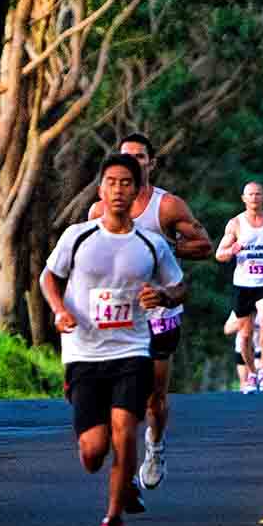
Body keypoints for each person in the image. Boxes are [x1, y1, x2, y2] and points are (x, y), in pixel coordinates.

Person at [43, 153, 188, 526]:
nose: (119, 190)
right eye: (111, 182)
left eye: (126, 182)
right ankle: (114, 477)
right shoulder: (78, 236)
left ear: (137, 189)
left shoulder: (151, 244)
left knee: (125, 432)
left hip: (132, 350)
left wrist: (163, 296)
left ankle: (113, 518)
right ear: (100, 189)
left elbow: (179, 286)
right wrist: (59, 311)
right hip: (84, 352)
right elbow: (49, 278)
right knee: (93, 452)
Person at [88, 132, 213, 493]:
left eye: (140, 157)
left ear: (151, 163)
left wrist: (166, 248)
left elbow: (204, 246)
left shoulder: (167, 206)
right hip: (118, 314)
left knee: (153, 399)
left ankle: (154, 447)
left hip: (160, 313)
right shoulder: (98, 211)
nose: (132, 162)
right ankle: (124, 466)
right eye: (126, 156)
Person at [215, 181, 263, 393]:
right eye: (250, 194)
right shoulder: (235, 224)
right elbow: (219, 254)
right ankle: (251, 373)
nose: (254, 198)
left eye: (258, 194)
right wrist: (232, 250)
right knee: (244, 334)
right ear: (244, 199)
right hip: (243, 284)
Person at [224, 312, 252, 391]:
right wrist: (244, 321)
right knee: (245, 385)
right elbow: (227, 329)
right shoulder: (240, 309)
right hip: (241, 351)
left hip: (258, 352)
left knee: (258, 384)